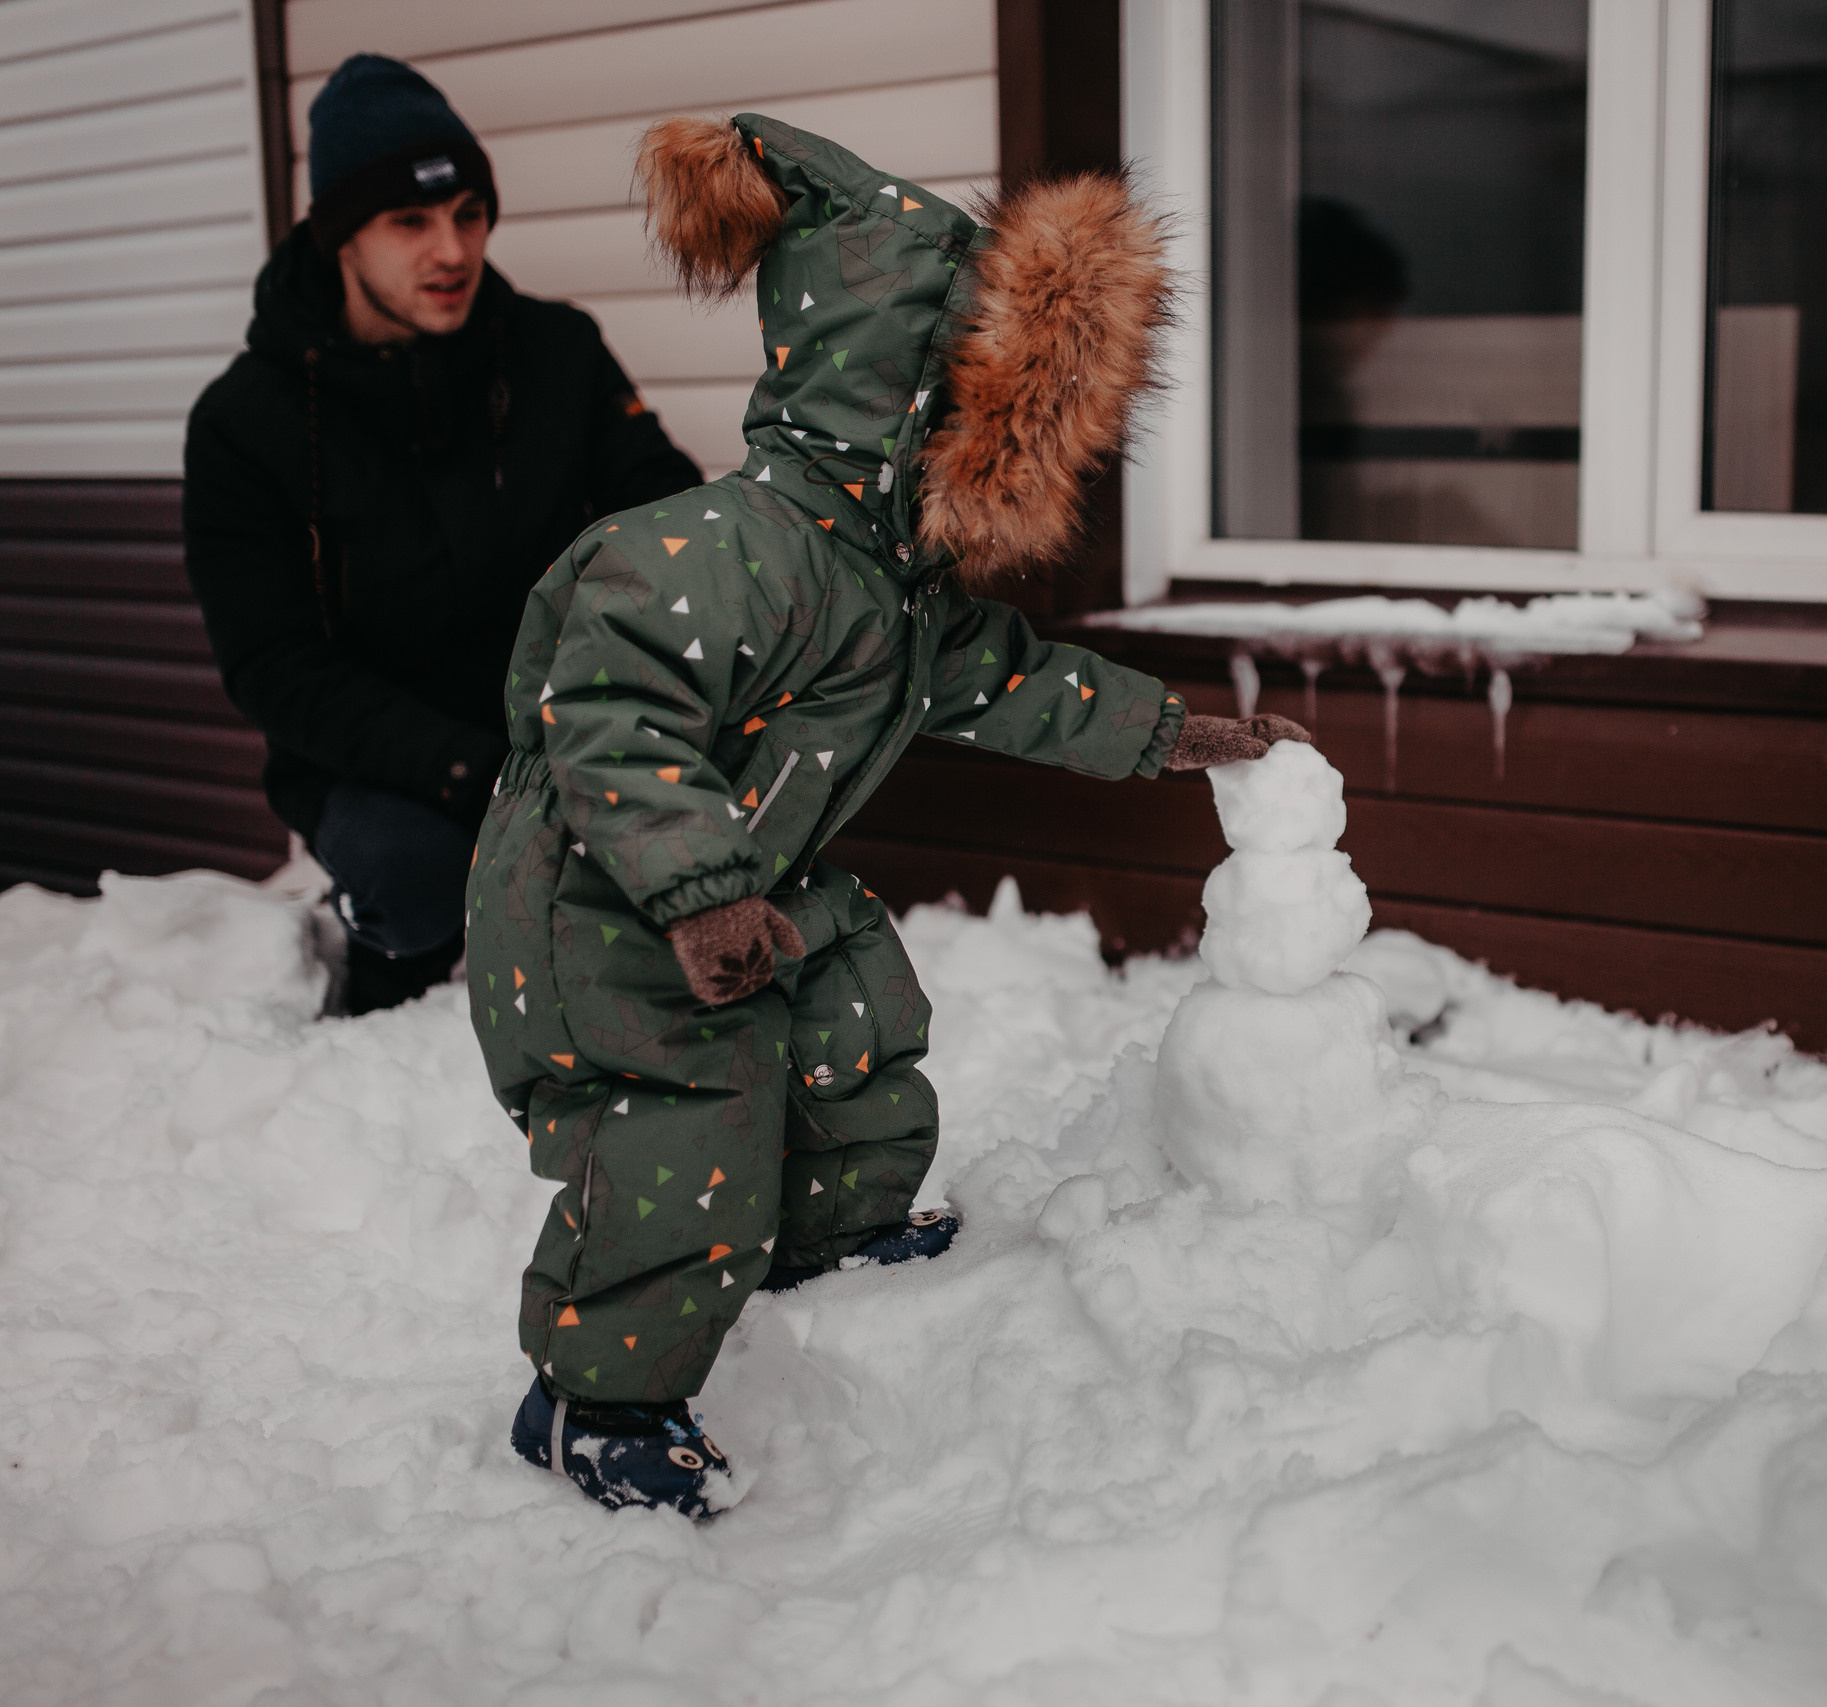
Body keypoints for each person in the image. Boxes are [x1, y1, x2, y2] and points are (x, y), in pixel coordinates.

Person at [477, 113, 1311, 1517]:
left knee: (855, 1004)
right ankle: (591, 1402)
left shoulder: (901, 595)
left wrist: (1174, 732)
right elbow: (608, 717)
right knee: (687, 1134)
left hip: (746, 884)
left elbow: (1020, 681)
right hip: (600, 908)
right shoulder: (716, 553)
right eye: (980, 409)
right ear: (904, 398)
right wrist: (694, 893)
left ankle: (827, 1233)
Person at [183, 56, 701, 1014]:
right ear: (340, 235)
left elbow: (663, 508)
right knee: (419, 881)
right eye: (411, 221)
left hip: (560, 718)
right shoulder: (243, 423)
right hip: (384, 759)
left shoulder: (556, 351)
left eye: (469, 213)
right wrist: (473, 773)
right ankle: (389, 975)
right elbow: (273, 667)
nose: (453, 249)